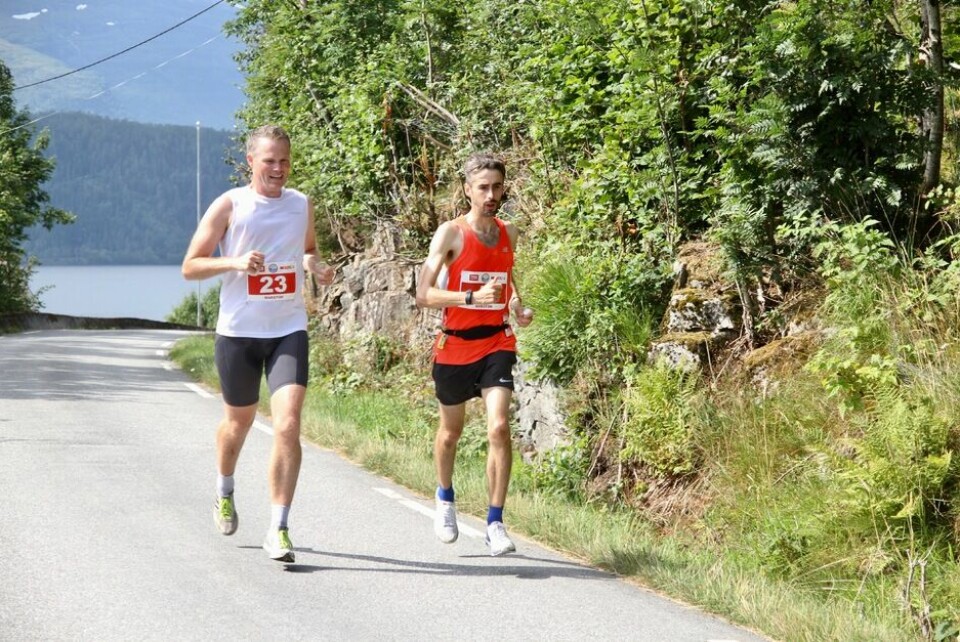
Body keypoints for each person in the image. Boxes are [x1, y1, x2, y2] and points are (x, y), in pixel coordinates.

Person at [181, 124, 335, 563]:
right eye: (269, 160)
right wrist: (234, 262)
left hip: (288, 328)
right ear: (251, 161)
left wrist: (315, 267)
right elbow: (190, 266)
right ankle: (224, 488)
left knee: (287, 424)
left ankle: (279, 527)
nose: (278, 169)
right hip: (238, 332)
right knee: (239, 424)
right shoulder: (230, 204)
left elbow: (307, 249)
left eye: (284, 161)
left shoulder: (301, 204)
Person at [415, 152, 534, 556]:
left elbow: (507, 279)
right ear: (467, 189)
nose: (491, 195)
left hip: (497, 342)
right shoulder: (449, 233)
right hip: (455, 343)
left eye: (497, 187)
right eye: (483, 187)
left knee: (499, 427)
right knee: (450, 434)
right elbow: (424, 294)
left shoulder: (509, 233)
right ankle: (445, 497)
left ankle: (495, 522)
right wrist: (467, 296)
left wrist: (517, 305)